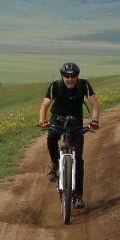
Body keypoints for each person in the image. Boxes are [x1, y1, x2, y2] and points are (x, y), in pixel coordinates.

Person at [37, 61, 99, 209]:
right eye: (67, 76)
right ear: (62, 76)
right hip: (57, 119)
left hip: (76, 123)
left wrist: (94, 121)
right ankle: (54, 163)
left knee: (78, 159)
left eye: (73, 76)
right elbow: (45, 105)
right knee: (51, 137)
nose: (70, 79)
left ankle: (78, 195)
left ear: (77, 76)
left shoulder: (84, 85)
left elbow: (95, 105)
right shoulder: (55, 86)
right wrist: (42, 120)